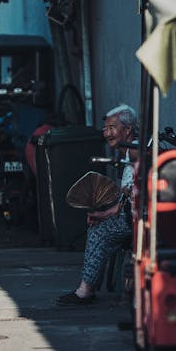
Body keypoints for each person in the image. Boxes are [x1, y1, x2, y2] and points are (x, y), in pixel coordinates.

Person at [57, 104, 138, 305]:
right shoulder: (128, 153)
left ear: (127, 129)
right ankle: (89, 286)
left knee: (99, 232)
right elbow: (125, 203)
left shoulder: (136, 151)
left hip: (139, 219)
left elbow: (133, 198)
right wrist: (104, 214)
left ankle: (85, 291)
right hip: (131, 215)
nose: (107, 133)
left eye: (112, 127)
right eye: (105, 128)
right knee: (98, 223)